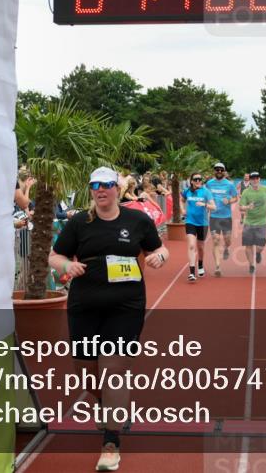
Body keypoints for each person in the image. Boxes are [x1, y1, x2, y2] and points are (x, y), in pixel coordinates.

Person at [48, 167, 170, 472]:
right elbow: (55, 256)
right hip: (85, 305)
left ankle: (111, 441)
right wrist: (66, 266)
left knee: (114, 369)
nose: (100, 190)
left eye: (106, 185)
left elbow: (160, 248)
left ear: (117, 188)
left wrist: (160, 257)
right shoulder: (79, 222)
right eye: (94, 185)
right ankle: (108, 404)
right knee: (87, 375)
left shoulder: (137, 220)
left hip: (126, 305)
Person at [205, 162, 238, 274]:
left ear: (224, 171)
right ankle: (218, 267)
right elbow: (205, 196)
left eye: (221, 170)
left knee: (227, 240)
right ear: (214, 171)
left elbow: (235, 198)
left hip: (226, 217)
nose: (219, 171)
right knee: (215, 240)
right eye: (217, 169)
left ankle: (226, 248)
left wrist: (229, 201)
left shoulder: (229, 184)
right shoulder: (209, 184)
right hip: (214, 217)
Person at [181, 173, 215, 281]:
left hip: (203, 223)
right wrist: (182, 209)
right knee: (191, 245)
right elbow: (182, 200)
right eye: (195, 179)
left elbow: (214, 207)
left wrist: (204, 204)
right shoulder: (187, 191)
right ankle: (192, 272)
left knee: (200, 247)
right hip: (190, 221)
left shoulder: (206, 192)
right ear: (191, 181)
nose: (198, 181)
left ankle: (200, 263)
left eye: (200, 179)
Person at [239, 172, 266, 274]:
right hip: (249, 222)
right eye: (252, 178)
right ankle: (251, 265)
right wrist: (247, 207)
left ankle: (258, 253)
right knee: (248, 245)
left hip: (262, 222)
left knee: (260, 246)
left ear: (259, 179)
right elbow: (240, 207)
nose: (255, 180)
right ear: (250, 180)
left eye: (256, 178)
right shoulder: (246, 192)